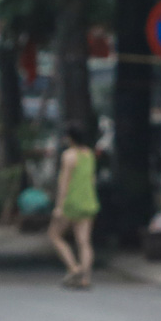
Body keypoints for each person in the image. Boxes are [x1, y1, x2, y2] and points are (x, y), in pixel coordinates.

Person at [48, 123, 99, 288]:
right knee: (84, 241)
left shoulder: (69, 155)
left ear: (70, 138)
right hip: (88, 201)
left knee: (55, 235)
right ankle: (86, 278)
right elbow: (92, 179)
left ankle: (74, 267)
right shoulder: (89, 154)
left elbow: (64, 183)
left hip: (71, 203)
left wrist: (59, 206)